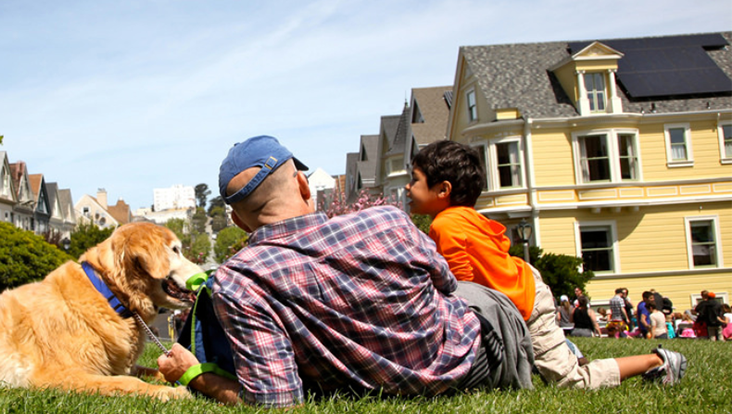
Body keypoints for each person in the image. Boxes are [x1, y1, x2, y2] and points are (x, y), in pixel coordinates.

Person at [158, 135, 535, 408]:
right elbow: (447, 285)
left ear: (239, 222)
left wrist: (196, 374)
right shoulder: (389, 221)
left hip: (379, 384)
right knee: (491, 295)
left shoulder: (239, 282)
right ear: (303, 185)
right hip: (474, 361)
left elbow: (277, 402)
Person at [405, 140, 685, 389]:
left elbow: (463, 290)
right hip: (522, 290)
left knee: (570, 381)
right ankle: (567, 349)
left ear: (443, 189)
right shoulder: (463, 216)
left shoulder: (445, 224)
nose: (408, 187)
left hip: (526, 302)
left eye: (414, 180)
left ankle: (657, 360)